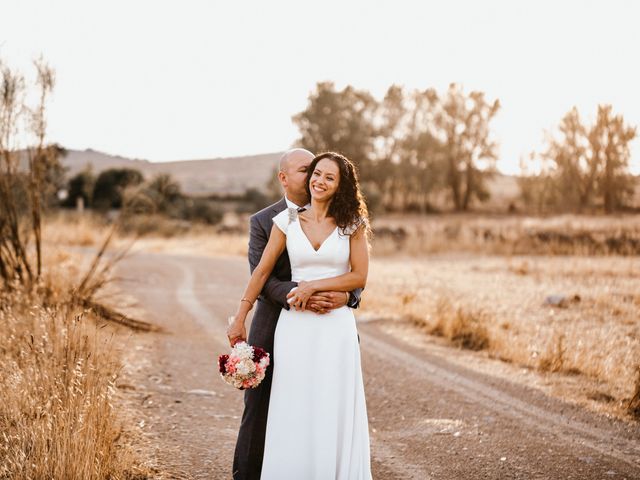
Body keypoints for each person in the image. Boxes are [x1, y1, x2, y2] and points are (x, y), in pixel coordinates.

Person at [230, 148, 363, 479]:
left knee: (330, 403)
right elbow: (262, 276)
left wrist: (335, 293)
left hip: (333, 325)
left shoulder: (350, 222)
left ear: (339, 183)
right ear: (285, 178)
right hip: (284, 323)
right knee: (271, 407)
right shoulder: (275, 220)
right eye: (311, 172)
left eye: (324, 174)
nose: (316, 179)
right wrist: (242, 314)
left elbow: (359, 276)